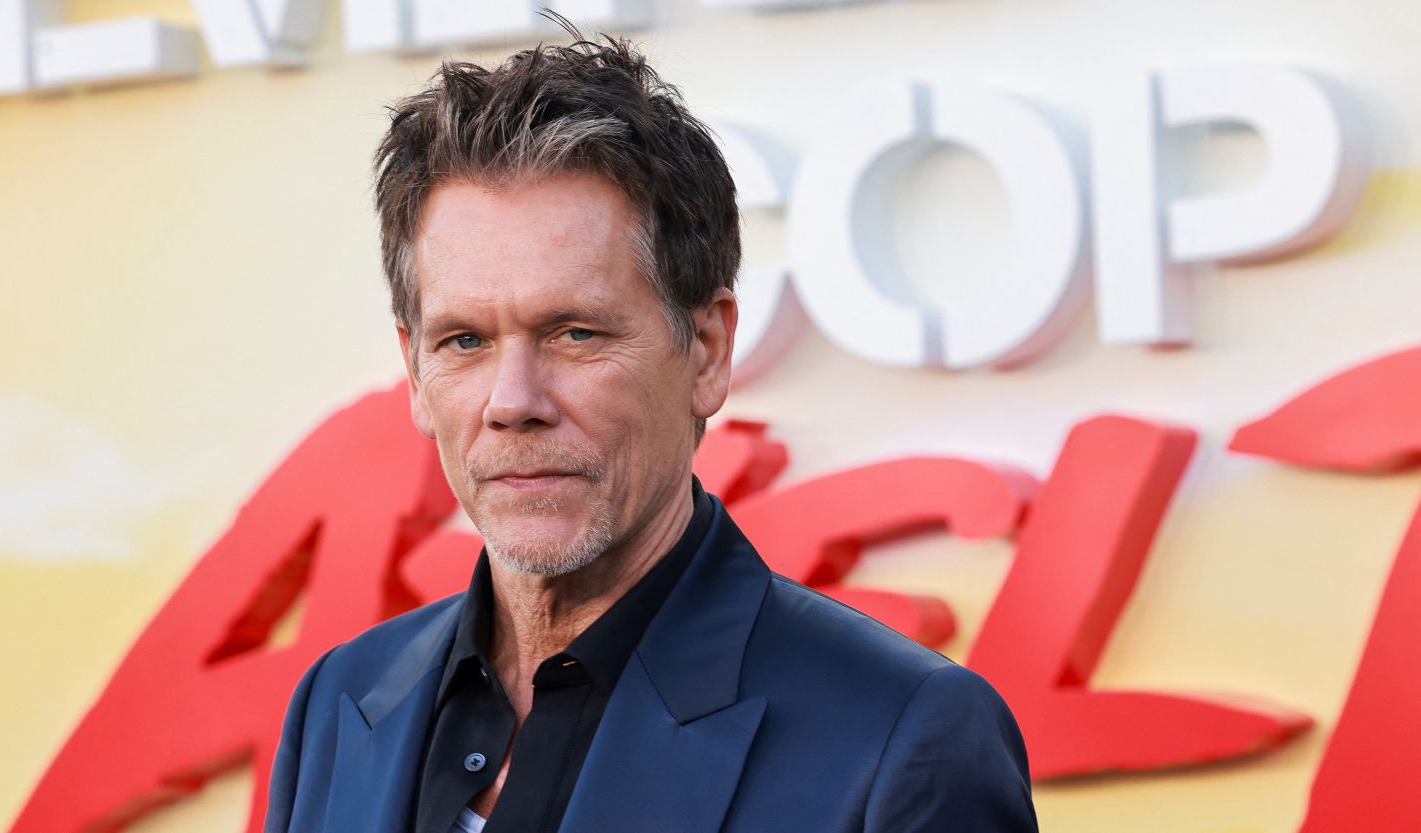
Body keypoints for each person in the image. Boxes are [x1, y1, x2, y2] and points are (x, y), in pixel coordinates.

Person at [264, 25, 1037, 833]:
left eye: (575, 333)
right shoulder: (339, 701)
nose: (512, 399)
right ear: (415, 372)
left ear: (705, 351)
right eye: (465, 341)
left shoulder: (905, 741)